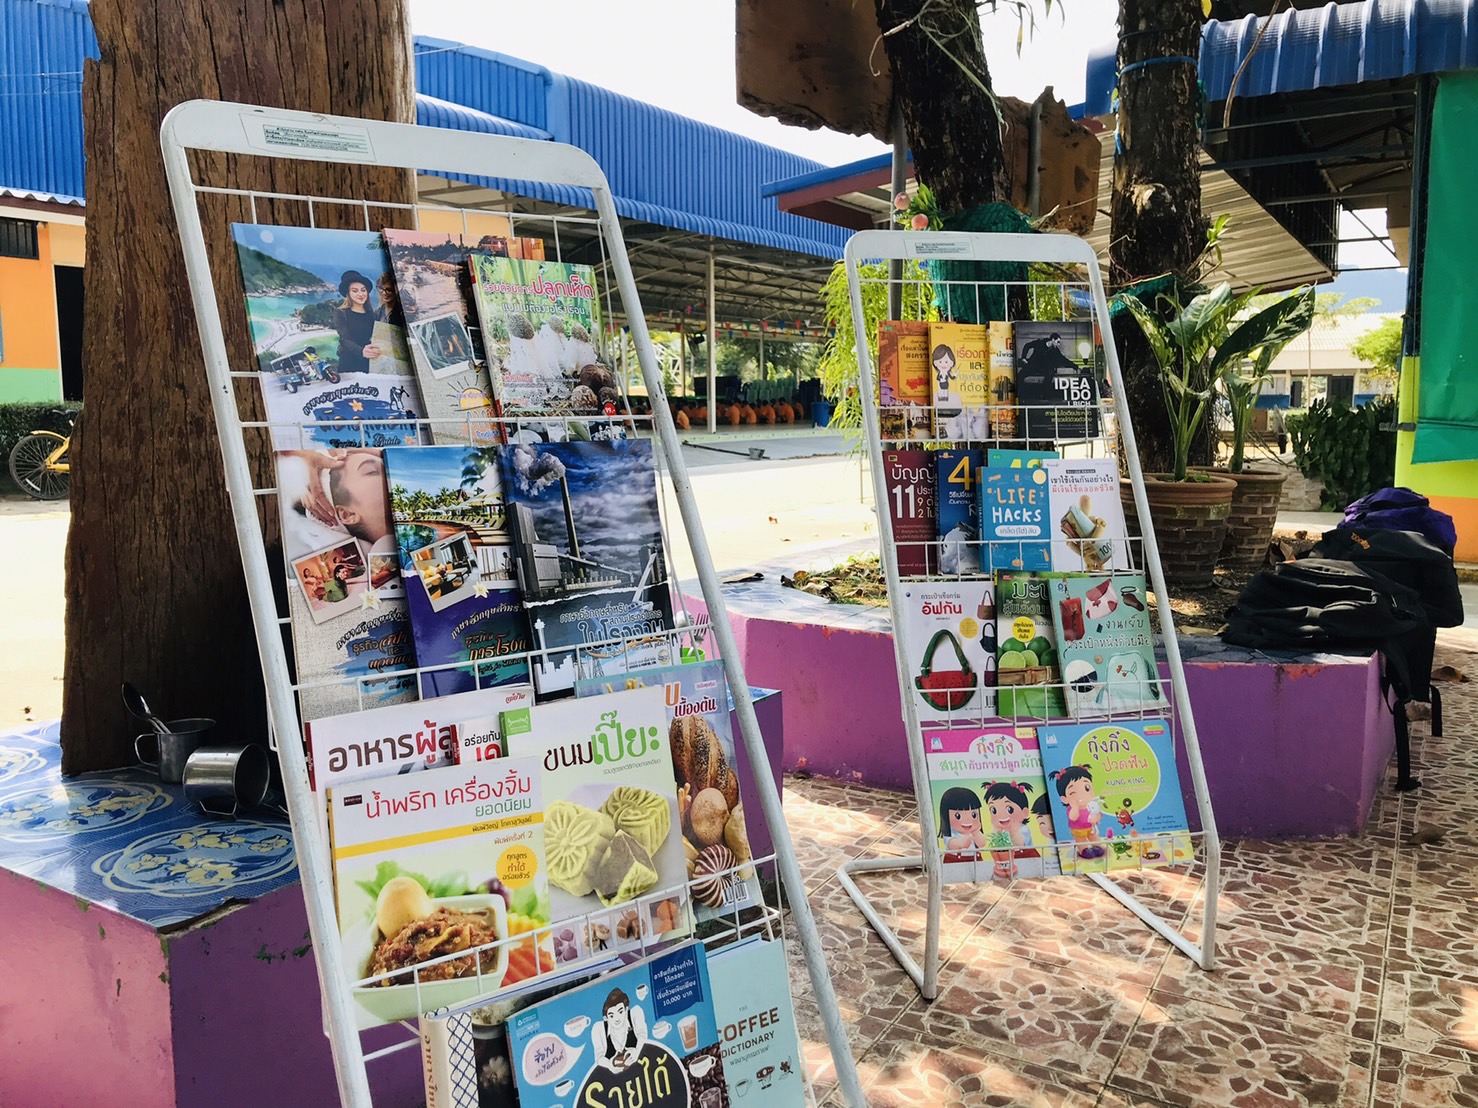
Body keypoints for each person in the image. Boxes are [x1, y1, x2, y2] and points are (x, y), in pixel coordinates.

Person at [333, 269, 384, 375]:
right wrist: (361, 351)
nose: (360, 294)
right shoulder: (341, 313)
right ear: (348, 293)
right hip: (349, 364)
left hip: (370, 364)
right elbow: (344, 339)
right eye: (355, 291)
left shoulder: (372, 314)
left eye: (363, 290)